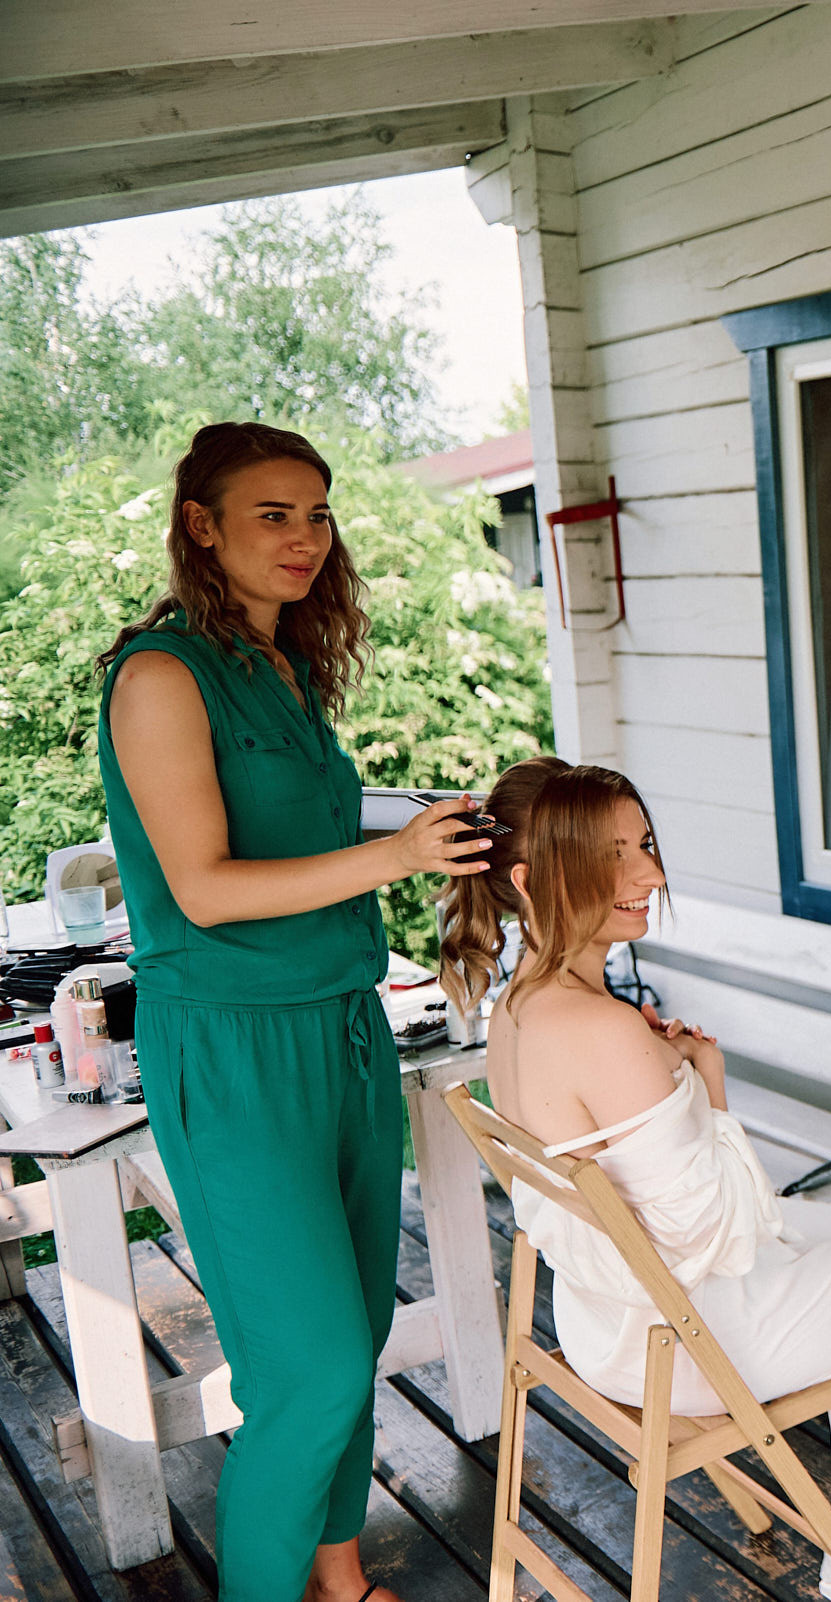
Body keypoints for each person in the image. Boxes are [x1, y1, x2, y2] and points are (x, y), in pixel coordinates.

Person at [438, 759, 831, 1602]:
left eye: (643, 844)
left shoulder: (516, 1008)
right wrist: (708, 1081)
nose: (647, 873)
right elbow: (717, 1231)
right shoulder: (606, 1029)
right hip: (685, 1336)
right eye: (611, 855)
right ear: (533, 881)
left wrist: (666, 1070)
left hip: (605, 1319)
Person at [98, 422, 494, 1602]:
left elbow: (304, 835)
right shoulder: (162, 675)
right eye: (271, 513)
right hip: (231, 1048)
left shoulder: (285, 666)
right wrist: (394, 859)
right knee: (308, 1372)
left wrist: (433, 833)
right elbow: (205, 889)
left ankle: (339, 1578)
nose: (305, 537)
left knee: (354, 1338)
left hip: (345, 1027)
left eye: (317, 513)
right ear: (200, 527)